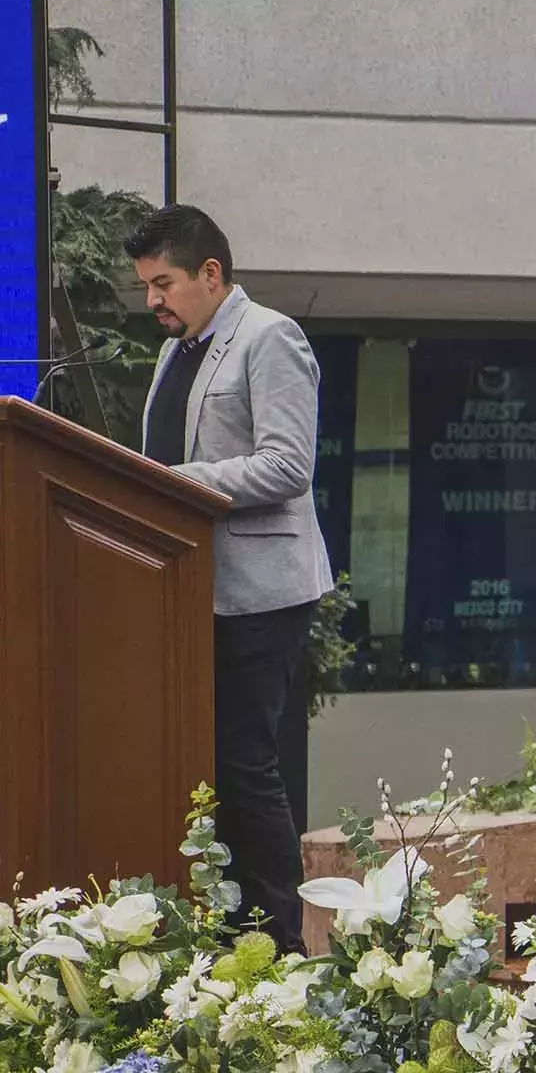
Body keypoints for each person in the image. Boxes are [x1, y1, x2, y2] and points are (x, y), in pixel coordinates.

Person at [128, 204, 334, 954]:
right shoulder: (175, 352)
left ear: (211, 274)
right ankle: (221, 934)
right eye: (146, 285)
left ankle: (280, 946)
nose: (153, 299)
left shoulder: (269, 337)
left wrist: (177, 482)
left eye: (164, 282)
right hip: (188, 592)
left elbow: (288, 466)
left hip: (259, 592)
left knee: (246, 767)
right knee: (201, 769)